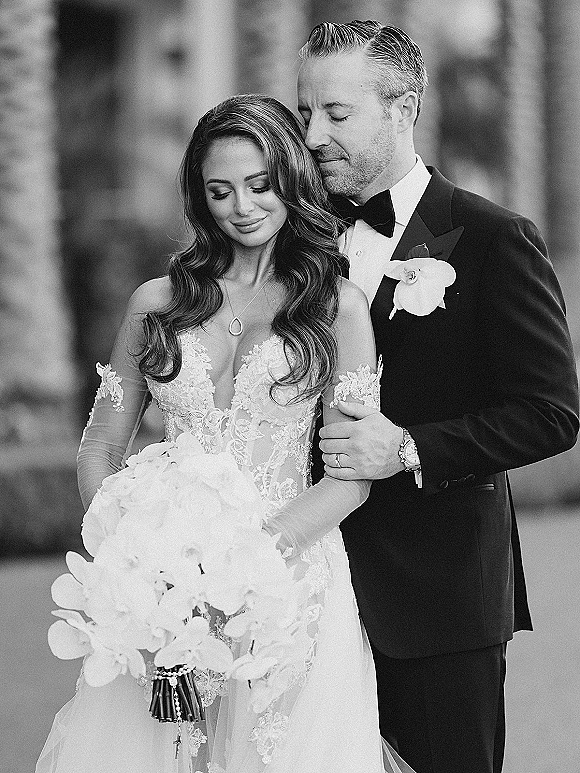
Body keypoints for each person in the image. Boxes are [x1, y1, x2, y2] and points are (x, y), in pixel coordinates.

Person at [36, 94, 416, 773]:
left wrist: (240, 571)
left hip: (293, 589)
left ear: (291, 181)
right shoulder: (157, 305)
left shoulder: (336, 308)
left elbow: (351, 477)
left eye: (260, 184)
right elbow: (100, 445)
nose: (242, 205)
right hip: (165, 597)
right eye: (220, 190)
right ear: (200, 197)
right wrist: (133, 559)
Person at [297, 20, 579, 773]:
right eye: (305, 113)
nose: (314, 133)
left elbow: (553, 410)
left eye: (336, 112)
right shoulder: (296, 249)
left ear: (403, 107)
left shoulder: (493, 239)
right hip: (308, 598)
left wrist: (408, 446)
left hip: (440, 601)